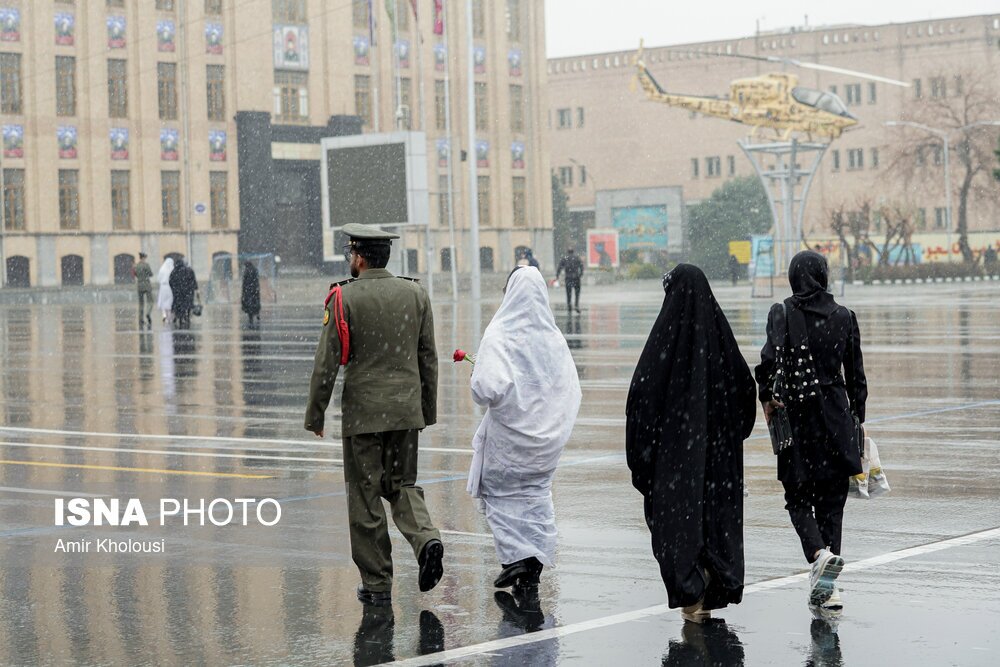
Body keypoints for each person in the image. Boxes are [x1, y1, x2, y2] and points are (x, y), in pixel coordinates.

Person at [304, 223, 443, 608]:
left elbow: (326, 361)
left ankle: (378, 583)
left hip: (364, 416)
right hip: (405, 412)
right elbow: (427, 357)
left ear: (360, 257)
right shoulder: (415, 293)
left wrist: (316, 415)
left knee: (365, 497)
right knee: (402, 486)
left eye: (351, 254)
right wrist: (425, 410)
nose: (351, 260)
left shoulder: (343, 299)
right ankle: (426, 538)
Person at [626, 264, 757, 623]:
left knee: (679, 529)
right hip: (719, 462)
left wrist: (648, 456)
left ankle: (692, 594)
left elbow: (641, 399)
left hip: (674, 463)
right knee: (716, 524)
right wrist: (726, 436)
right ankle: (713, 584)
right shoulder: (722, 341)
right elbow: (746, 391)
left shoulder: (662, 345)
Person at [754, 250, 867, 615]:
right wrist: (857, 423)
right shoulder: (845, 317)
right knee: (832, 504)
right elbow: (858, 380)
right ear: (823, 275)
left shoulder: (782, 313)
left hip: (798, 418)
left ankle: (819, 555)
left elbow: (767, 364)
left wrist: (767, 398)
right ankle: (828, 588)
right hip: (836, 418)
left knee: (799, 496)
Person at [467, 266, 581, 592]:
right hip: (546, 444)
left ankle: (516, 559)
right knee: (537, 496)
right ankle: (533, 563)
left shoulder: (499, 335)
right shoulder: (554, 339)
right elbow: (569, 388)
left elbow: (486, 388)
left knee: (501, 498)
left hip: (509, 441)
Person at [168, 258, 199, 328]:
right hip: (188, 292)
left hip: (178, 293)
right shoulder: (189, 270)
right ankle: (187, 316)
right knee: (187, 305)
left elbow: (170, 281)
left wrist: (174, 289)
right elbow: (193, 280)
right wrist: (194, 288)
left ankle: (180, 317)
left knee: (179, 305)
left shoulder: (174, 271)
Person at [555, 247, 584, 313]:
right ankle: (576, 304)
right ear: (573, 251)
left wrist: (557, 275)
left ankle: (569, 305)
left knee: (568, 293)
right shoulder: (577, 258)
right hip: (576, 277)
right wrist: (580, 274)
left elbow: (560, 267)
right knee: (577, 292)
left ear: (567, 252)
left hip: (568, 278)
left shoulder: (565, 258)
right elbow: (581, 266)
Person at [134, 252, 154, 329]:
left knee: (141, 303)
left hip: (139, 285)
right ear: (143, 258)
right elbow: (151, 274)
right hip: (147, 285)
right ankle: (148, 313)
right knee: (150, 301)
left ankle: (141, 318)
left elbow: (135, 274)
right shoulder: (146, 265)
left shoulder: (136, 266)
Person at [241, 261, 261, 326]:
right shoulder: (255, 270)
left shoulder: (246, 271)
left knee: (249, 304)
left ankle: (250, 317)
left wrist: (244, 290)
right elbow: (257, 280)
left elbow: (245, 281)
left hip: (248, 290)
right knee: (255, 302)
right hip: (255, 289)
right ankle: (257, 313)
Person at [157, 257, 175, 324]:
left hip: (163, 287)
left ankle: (164, 315)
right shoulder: (172, 269)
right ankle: (170, 316)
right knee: (170, 302)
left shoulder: (162, 269)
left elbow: (159, 278)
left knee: (163, 301)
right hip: (170, 287)